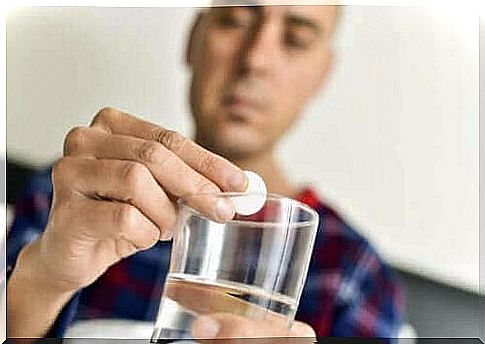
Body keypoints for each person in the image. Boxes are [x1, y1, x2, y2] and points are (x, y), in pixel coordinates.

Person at [6, 4, 404, 341]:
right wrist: (42, 282)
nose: (255, 60)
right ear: (194, 38)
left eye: (295, 40)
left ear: (321, 76)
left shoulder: (352, 271)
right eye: (235, 19)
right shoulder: (76, 198)